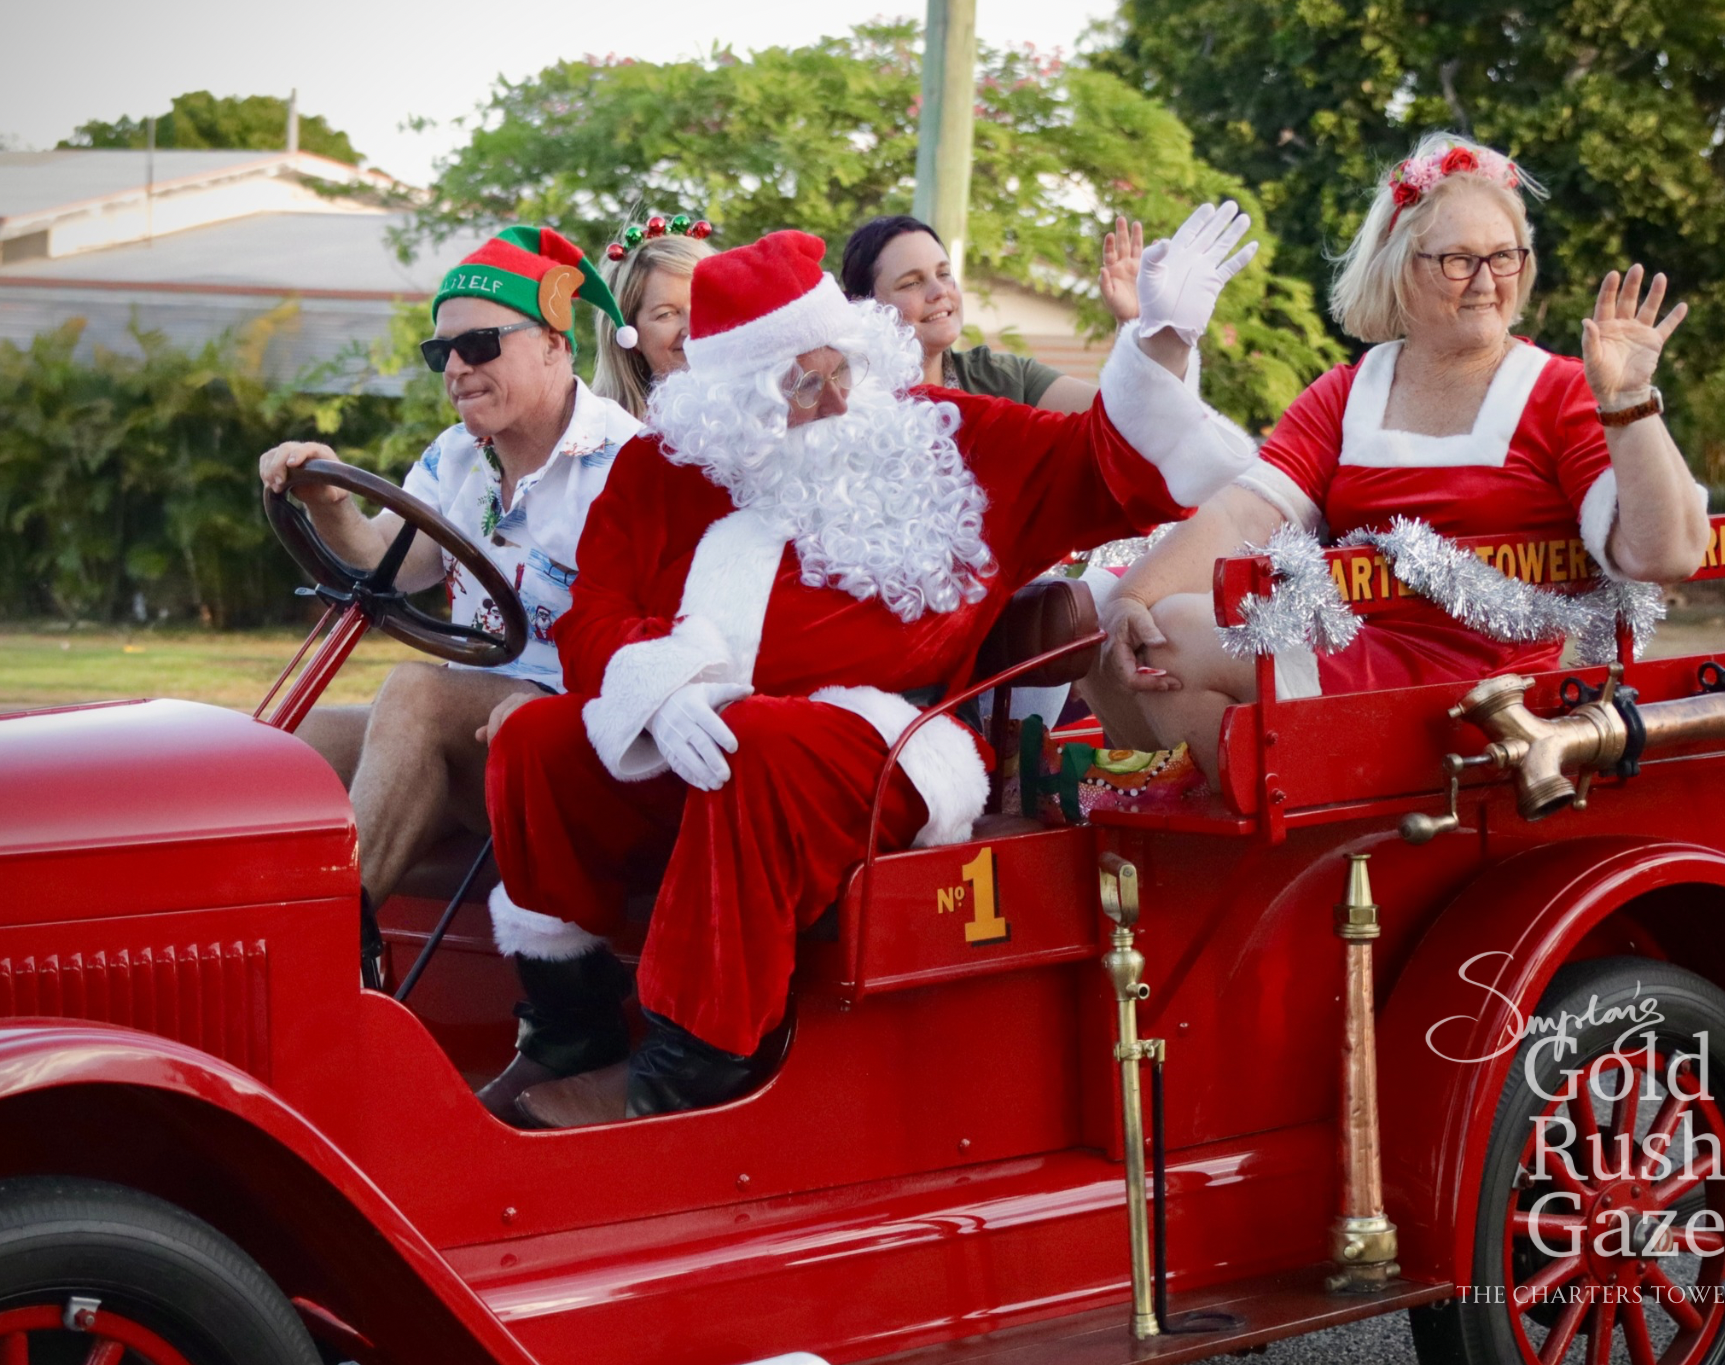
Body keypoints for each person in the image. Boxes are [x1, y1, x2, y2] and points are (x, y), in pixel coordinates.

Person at [482, 208, 1262, 1126]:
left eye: (839, 368)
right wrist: (662, 687)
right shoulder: (664, 471)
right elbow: (594, 619)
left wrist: (1160, 339)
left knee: (757, 742)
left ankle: (704, 1057)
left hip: (898, 743)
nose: (834, 401)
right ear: (735, 402)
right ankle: (570, 1027)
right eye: (797, 385)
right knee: (533, 736)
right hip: (699, 737)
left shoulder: (951, 439)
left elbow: (1115, 463)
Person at [1085, 134, 1712, 782]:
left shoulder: (1558, 389)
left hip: (1491, 699)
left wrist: (1631, 399)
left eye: (1504, 257)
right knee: (1100, 616)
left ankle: (1280, 834)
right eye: (1458, 261)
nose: (1486, 282)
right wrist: (1132, 595)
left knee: (1179, 632)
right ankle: (1233, 809)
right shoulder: (1348, 390)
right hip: (1351, 655)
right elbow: (1244, 516)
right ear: (1400, 265)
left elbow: (1668, 553)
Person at [258, 225, 643, 990]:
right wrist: (330, 497)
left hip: (585, 747)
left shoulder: (628, 463)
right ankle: (226, 933)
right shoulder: (456, 455)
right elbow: (382, 563)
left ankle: (314, 965)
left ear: (553, 345)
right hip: (479, 733)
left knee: (415, 694)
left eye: (479, 346)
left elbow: (652, 640)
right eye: (442, 355)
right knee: (284, 746)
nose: (457, 370)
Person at [839, 214, 1146, 411]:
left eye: (944, 274)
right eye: (912, 283)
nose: (939, 292)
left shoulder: (1004, 381)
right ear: (862, 305)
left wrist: (1132, 322)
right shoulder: (838, 400)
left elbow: (1120, 416)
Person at [589, 222, 716, 418]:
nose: (693, 328)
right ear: (631, 332)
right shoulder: (610, 438)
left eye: (705, 304)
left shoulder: (773, 409)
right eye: (666, 314)